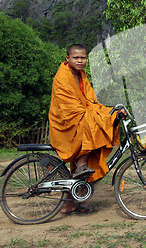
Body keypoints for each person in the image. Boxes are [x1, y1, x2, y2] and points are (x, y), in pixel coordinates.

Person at [49, 44, 122, 214]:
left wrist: (110, 111)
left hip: (79, 120)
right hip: (65, 123)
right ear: (67, 59)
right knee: (91, 121)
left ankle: (71, 203)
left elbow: (91, 102)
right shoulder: (62, 77)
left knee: (95, 119)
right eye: (76, 58)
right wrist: (99, 114)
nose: (80, 61)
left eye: (83, 58)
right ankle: (81, 163)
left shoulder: (82, 76)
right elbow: (68, 108)